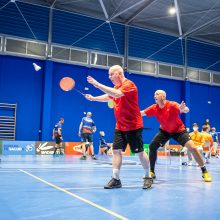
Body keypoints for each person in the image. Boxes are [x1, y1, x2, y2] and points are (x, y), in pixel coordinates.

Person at [85, 65, 153, 189]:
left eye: (111, 74)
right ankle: (116, 179)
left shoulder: (129, 85)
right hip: (120, 126)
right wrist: (94, 98)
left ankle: (148, 176)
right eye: (109, 75)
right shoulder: (116, 87)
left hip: (133, 126)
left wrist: (98, 84)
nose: (109, 77)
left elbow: (116, 94)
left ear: (119, 73)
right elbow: (108, 96)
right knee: (116, 151)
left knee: (140, 152)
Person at [141, 90, 212, 182]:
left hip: (179, 131)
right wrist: (130, 114)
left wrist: (183, 109)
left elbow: (185, 109)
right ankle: (152, 172)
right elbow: (142, 113)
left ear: (163, 97)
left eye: (157, 94)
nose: (155, 96)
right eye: (154, 94)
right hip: (164, 131)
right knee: (152, 146)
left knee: (193, 148)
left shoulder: (171, 104)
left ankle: (204, 171)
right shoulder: (154, 108)